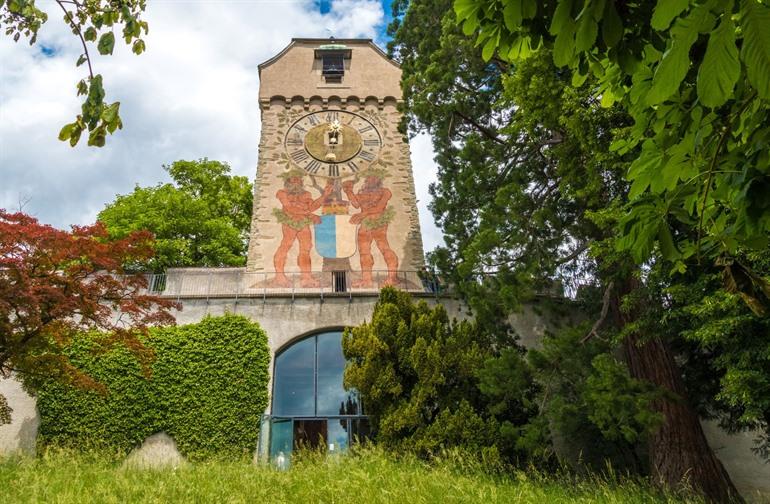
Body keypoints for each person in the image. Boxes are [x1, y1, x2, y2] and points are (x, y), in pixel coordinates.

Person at [271, 170, 333, 287]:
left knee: (306, 249)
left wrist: (324, 195)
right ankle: (279, 276)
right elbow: (289, 208)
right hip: (290, 222)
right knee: (286, 246)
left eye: (298, 179)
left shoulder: (306, 194)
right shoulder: (282, 193)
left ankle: (306, 277)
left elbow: (312, 206)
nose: (296, 181)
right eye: (293, 178)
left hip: (303, 223)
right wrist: (310, 215)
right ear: (287, 181)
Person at [342, 169, 398, 287]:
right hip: (365, 224)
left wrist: (362, 214)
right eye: (368, 177)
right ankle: (366, 280)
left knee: (384, 248)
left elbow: (379, 208)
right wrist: (348, 191)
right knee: (364, 252)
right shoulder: (363, 193)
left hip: (378, 222)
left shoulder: (385, 191)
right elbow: (356, 204)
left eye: (373, 177)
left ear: (378, 179)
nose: (369, 179)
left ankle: (392, 278)